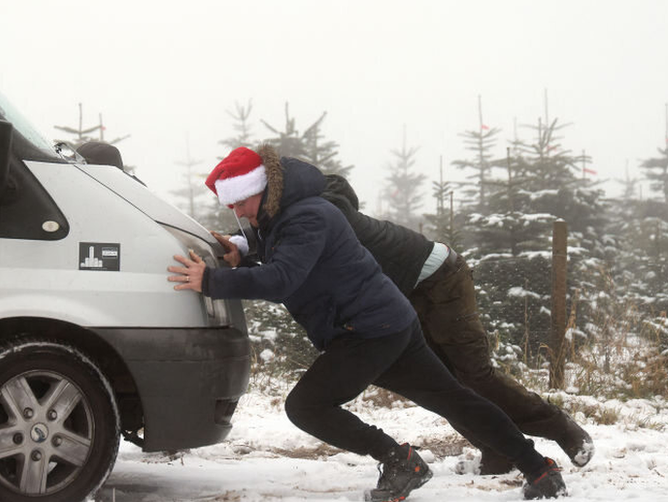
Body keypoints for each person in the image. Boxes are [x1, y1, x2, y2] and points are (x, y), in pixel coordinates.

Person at [168, 146, 567, 501]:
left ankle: (400, 461)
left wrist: (212, 281)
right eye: (230, 206)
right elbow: (293, 266)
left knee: (306, 406)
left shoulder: (305, 217)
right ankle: (540, 469)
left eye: (239, 202)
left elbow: (282, 279)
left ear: (262, 188)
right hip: (386, 322)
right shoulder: (289, 214)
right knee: (454, 398)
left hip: (368, 331)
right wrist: (244, 258)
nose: (235, 212)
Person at [316, 174, 593, 474]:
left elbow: (335, 190)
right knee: (441, 383)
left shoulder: (324, 213)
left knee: (476, 375)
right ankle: (496, 450)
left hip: (441, 280)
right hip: (402, 296)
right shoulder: (304, 219)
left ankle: (561, 428)